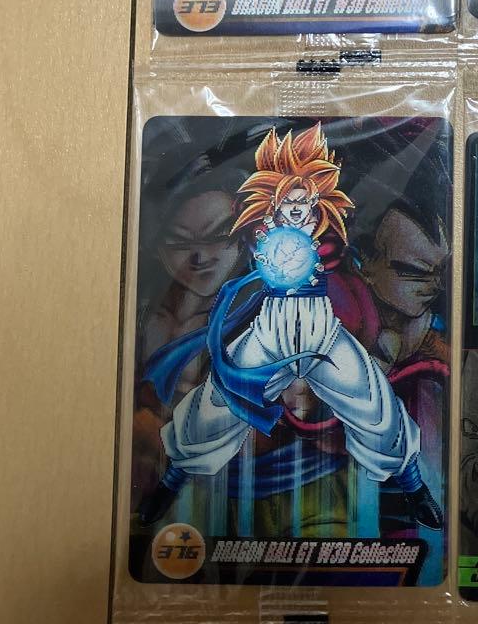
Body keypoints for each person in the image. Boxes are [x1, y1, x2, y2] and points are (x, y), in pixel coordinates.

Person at [138, 125, 443, 529]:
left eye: (305, 200)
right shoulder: (256, 227)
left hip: (321, 329)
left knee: (373, 402)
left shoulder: (331, 227)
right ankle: (173, 480)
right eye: (289, 200)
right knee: (217, 402)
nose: (297, 208)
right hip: (271, 327)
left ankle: (413, 485)